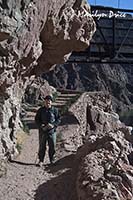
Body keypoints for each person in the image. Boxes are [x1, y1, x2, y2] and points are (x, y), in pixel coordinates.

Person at [35, 95, 60, 167]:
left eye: (49, 101)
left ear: (51, 102)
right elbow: (37, 120)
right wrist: (41, 125)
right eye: (46, 101)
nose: (48, 102)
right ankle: (41, 160)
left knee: (52, 146)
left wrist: (54, 125)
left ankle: (52, 160)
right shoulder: (40, 110)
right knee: (42, 146)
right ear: (44, 102)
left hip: (52, 131)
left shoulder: (55, 110)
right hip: (43, 131)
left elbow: (58, 119)